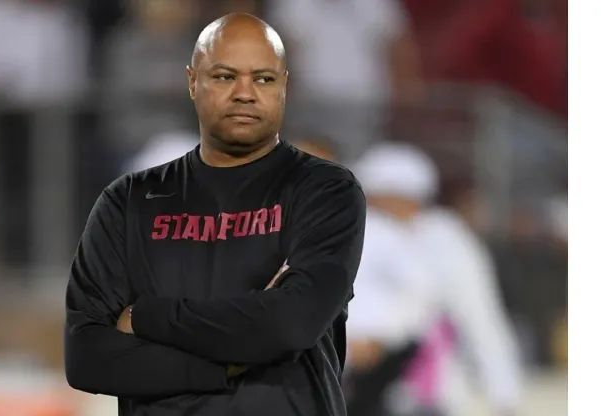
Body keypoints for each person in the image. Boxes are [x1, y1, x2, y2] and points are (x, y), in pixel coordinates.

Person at [63, 13, 367, 416]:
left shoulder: (326, 191)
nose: (245, 93)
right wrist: (227, 363)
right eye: (225, 76)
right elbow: (88, 357)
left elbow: (290, 324)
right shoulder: (129, 202)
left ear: (284, 86)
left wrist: (147, 316)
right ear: (192, 81)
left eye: (263, 78)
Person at [343, 142, 521, 415]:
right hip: (353, 381)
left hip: (424, 390)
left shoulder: (446, 240)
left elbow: (480, 318)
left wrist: (503, 393)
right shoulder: (362, 232)